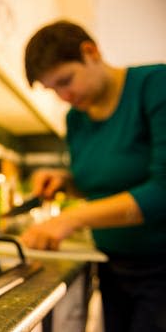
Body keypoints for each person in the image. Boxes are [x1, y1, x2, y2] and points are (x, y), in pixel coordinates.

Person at [20, 20, 166, 332]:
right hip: (111, 265)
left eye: (65, 80)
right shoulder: (77, 118)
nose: (64, 96)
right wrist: (66, 183)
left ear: (91, 52)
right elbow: (103, 185)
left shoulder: (156, 84)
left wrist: (71, 219)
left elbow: (162, 190)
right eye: (53, 89)